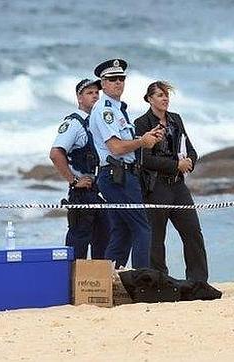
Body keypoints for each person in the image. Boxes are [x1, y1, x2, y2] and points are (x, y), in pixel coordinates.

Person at [89, 58, 165, 269]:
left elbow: (124, 143)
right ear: (102, 84)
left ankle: (109, 282)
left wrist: (146, 137)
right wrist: (142, 141)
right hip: (117, 175)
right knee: (142, 228)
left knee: (122, 232)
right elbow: (116, 147)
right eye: (112, 79)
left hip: (121, 174)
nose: (118, 82)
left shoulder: (118, 108)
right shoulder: (106, 110)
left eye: (121, 78)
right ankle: (142, 279)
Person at [134, 81, 209, 282]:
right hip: (155, 186)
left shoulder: (176, 119)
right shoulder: (142, 123)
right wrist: (176, 164)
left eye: (166, 95)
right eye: (159, 95)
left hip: (178, 186)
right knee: (156, 239)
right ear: (149, 99)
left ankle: (198, 281)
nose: (165, 98)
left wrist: (189, 162)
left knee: (193, 232)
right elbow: (144, 159)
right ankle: (159, 281)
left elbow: (191, 150)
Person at [49, 78, 109, 259]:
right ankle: (73, 285)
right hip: (82, 193)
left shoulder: (99, 122)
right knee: (78, 244)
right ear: (79, 98)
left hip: (101, 191)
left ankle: (98, 285)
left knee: (104, 242)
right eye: (89, 93)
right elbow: (55, 153)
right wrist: (74, 181)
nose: (95, 96)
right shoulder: (74, 123)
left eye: (97, 93)